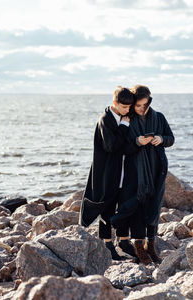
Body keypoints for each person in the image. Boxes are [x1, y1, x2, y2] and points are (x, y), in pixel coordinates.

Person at [111, 85, 175, 264]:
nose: (141, 109)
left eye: (144, 105)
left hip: (156, 168)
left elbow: (171, 138)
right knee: (138, 206)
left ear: (149, 102)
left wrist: (161, 139)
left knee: (154, 206)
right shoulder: (128, 119)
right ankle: (139, 249)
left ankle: (151, 247)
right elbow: (122, 148)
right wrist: (137, 142)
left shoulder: (159, 117)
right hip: (136, 171)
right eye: (138, 105)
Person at [79, 86, 139, 260]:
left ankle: (124, 241)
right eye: (124, 107)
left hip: (121, 173)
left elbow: (124, 146)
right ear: (115, 103)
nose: (127, 110)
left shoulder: (122, 117)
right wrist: (124, 125)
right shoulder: (106, 119)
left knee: (124, 207)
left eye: (129, 107)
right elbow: (111, 146)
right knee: (106, 209)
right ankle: (107, 245)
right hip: (107, 174)